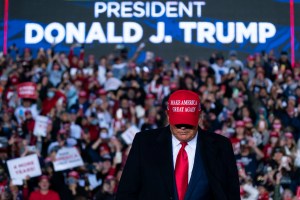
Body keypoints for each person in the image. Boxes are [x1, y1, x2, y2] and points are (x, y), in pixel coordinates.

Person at [116, 90, 240, 200]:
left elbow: (231, 194)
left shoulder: (221, 146)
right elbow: (126, 193)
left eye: (188, 123)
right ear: (169, 116)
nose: (183, 128)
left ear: (199, 117)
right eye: (179, 123)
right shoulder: (144, 143)